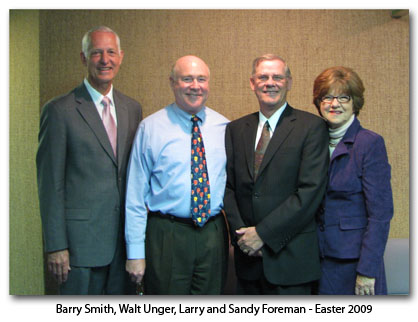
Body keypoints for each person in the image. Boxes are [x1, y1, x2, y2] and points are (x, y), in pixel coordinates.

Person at [36, 26, 142, 295]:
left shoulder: (132, 108)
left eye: (110, 52)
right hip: (79, 249)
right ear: (84, 58)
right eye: (96, 53)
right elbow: (50, 185)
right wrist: (56, 245)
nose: (105, 60)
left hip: (124, 245)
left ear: (121, 56)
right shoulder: (60, 110)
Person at [224, 54, 329, 295]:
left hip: (290, 262)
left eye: (277, 77)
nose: (270, 82)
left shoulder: (311, 127)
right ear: (252, 83)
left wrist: (263, 234)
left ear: (289, 82)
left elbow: (309, 192)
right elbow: (229, 188)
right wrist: (243, 238)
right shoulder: (236, 129)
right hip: (248, 262)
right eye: (263, 77)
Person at [125, 55, 229, 295]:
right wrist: (135, 253)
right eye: (187, 79)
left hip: (212, 234)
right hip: (167, 234)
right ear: (172, 83)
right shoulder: (150, 128)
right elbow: (135, 197)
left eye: (201, 79)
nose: (195, 86)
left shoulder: (225, 128)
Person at [312, 66, 393, 295]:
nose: (334, 104)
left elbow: (380, 214)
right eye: (327, 96)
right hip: (317, 259)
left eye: (343, 97)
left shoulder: (369, 144)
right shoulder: (312, 142)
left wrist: (368, 271)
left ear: (355, 102)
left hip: (354, 263)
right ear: (318, 102)